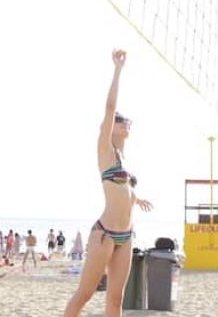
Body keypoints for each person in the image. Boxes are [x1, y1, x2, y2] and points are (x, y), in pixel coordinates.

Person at [64, 50, 154, 316]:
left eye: (127, 121)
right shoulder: (105, 149)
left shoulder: (124, 159)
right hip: (104, 233)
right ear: (110, 127)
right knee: (85, 293)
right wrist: (118, 69)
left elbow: (121, 191)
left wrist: (137, 199)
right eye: (121, 121)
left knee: (116, 299)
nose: (127, 123)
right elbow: (110, 108)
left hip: (126, 235)